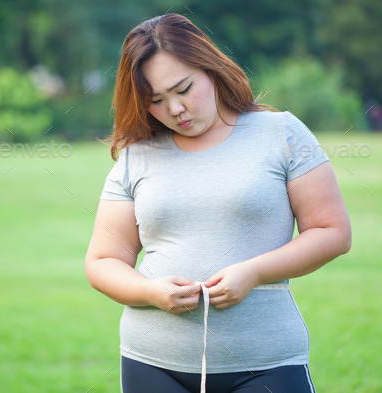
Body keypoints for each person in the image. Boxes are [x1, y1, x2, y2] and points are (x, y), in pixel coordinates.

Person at [85, 13, 351, 393]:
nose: (175, 109)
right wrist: (151, 292)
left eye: (183, 88)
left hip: (266, 364)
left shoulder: (282, 133)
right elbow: (103, 261)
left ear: (209, 68)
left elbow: (333, 233)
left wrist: (254, 273)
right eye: (156, 100)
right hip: (152, 364)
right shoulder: (137, 156)